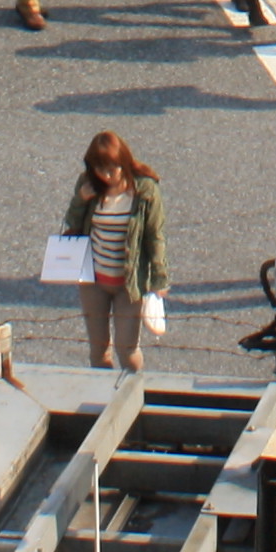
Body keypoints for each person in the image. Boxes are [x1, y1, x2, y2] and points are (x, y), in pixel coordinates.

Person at [61, 128, 170, 371]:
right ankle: (104, 398)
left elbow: (155, 236)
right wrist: (81, 199)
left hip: (129, 283)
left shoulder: (144, 190)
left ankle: (134, 396)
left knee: (127, 350)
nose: (107, 175)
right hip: (94, 280)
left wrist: (159, 280)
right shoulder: (88, 184)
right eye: (100, 169)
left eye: (112, 168)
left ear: (124, 162)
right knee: (98, 351)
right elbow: (73, 224)